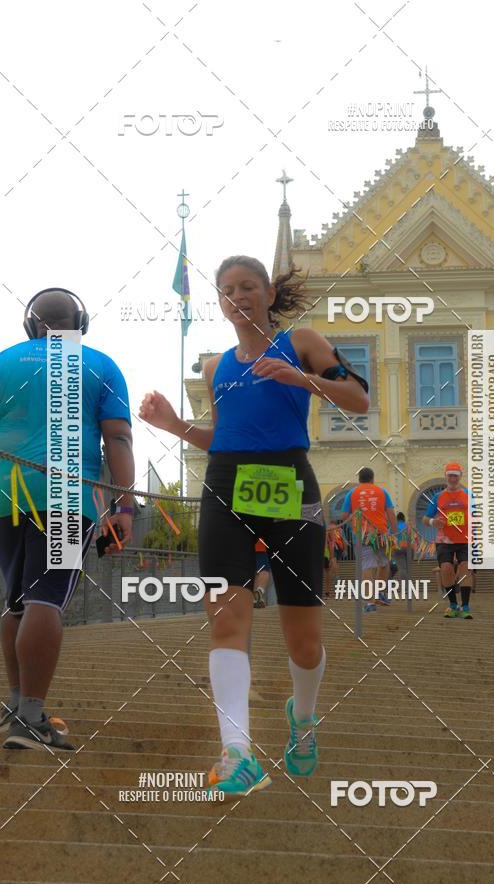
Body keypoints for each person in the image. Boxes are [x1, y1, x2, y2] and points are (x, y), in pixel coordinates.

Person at [140, 256, 368, 800]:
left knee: (304, 641)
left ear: (267, 293)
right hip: (226, 485)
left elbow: (359, 398)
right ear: (220, 302)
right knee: (226, 618)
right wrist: (174, 425)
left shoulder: (302, 342)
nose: (237, 296)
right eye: (227, 290)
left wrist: (303, 378)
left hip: (292, 484)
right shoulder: (217, 367)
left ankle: (303, 717)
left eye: (247, 286)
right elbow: (224, 437)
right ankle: (237, 753)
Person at [0, 289, 134, 749]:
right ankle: (30, 720)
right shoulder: (100, 364)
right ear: (80, 323)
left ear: (30, 325)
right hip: (66, 494)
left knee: (17, 602)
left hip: (5, 496)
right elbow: (118, 438)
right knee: (45, 599)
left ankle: (15, 705)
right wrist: (123, 508)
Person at [422, 462, 473, 620]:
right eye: (450, 475)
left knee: (465, 568)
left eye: (455, 476)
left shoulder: (468, 495)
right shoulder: (438, 497)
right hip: (444, 540)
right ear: (446, 476)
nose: (452, 479)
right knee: (446, 569)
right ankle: (453, 605)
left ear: (460, 477)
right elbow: (425, 518)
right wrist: (433, 522)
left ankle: (465, 606)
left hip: (465, 539)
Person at [341, 468, 396, 610]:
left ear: (359, 479)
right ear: (372, 479)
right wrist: (395, 532)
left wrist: (355, 521)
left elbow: (344, 516)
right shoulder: (382, 492)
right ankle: (379, 593)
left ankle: (370, 603)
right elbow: (391, 513)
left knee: (366, 566)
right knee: (384, 563)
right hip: (381, 534)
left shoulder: (351, 493)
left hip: (361, 534)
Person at [392, 511, 413, 581]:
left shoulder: (394, 526)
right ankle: (409, 584)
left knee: (402, 568)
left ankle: (405, 585)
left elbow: (389, 536)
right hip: (408, 548)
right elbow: (413, 537)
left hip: (397, 548)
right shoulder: (407, 525)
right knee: (408, 568)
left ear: (397, 519)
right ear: (404, 518)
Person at [253, 538, 271, 608]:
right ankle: (260, 590)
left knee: (255, 573)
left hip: (246, 546)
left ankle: (255, 599)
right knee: (264, 571)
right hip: (261, 546)